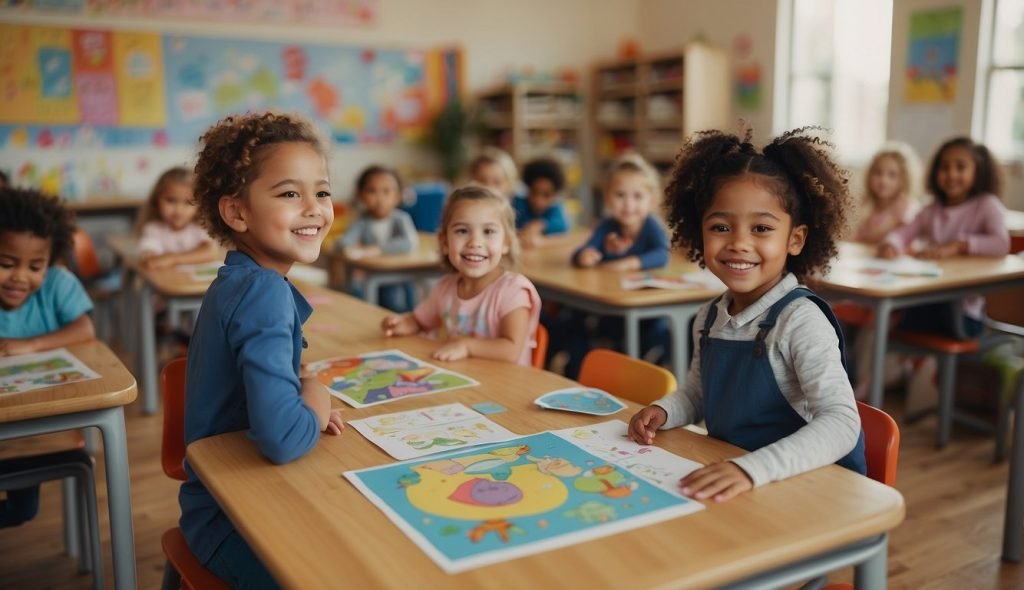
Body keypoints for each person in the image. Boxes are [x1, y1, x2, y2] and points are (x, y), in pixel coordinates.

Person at [628, 127, 866, 503]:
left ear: (795, 239)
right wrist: (666, 410)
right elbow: (698, 395)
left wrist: (752, 468)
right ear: (698, 231)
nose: (739, 242)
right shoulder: (708, 316)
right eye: (721, 227)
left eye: (761, 228)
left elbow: (841, 423)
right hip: (741, 481)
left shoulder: (800, 320)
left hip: (810, 488)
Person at [181, 112, 344, 589]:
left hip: (229, 502)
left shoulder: (240, 279)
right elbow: (281, 440)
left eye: (323, 191)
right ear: (236, 212)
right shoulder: (264, 293)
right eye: (290, 193)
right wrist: (312, 396)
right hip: (237, 523)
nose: (314, 207)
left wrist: (299, 405)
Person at [0, 187, 95, 527]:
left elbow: (85, 329)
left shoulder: (58, 284)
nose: (19, 277)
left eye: (35, 266)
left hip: (34, 433)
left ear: (51, 261)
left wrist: (29, 345)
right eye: (6, 263)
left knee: (24, 509)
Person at [380, 185, 541, 366]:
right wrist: (404, 324)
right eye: (462, 231)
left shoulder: (513, 290)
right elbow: (420, 321)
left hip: (505, 388)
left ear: (506, 243)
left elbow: (511, 350)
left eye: (488, 232)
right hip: (463, 382)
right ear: (444, 241)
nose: (475, 242)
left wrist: (466, 346)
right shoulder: (445, 287)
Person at [879, 136, 1009, 338]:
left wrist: (959, 246)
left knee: (889, 326)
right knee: (885, 324)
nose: (951, 174)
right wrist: (891, 244)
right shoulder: (932, 209)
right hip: (926, 301)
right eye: (944, 167)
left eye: (960, 167)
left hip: (963, 313)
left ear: (978, 171)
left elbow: (1001, 244)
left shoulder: (987, 205)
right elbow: (904, 232)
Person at [560, 154, 670, 377]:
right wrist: (585, 256)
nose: (628, 204)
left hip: (646, 310)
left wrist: (631, 262)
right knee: (573, 321)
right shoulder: (607, 226)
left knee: (658, 334)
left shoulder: (650, 226)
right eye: (620, 195)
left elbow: (661, 254)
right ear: (608, 199)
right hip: (610, 310)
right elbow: (582, 251)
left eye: (638, 196)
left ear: (651, 200)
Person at [338, 165, 418, 311]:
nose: (380, 198)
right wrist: (347, 247)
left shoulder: (401, 219)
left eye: (386, 191)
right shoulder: (361, 221)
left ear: (398, 195)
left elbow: (409, 243)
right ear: (361, 195)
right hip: (371, 275)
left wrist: (375, 250)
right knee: (356, 293)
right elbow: (345, 241)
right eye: (371, 191)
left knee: (394, 299)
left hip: (397, 275)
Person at [135, 167, 218, 270]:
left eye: (188, 202)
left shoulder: (200, 226)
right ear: (156, 200)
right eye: (171, 200)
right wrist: (151, 258)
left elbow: (210, 252)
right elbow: (150, 259)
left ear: (200, 204)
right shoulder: (153, 229)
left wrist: (173, 259)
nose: (178, 210)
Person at [854, 142, 922, 245]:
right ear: (869, 175)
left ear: (903, 180)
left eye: (892, 175)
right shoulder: (866, 207)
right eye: (878, 173)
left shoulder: (907, 207)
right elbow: (858, 239)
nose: (883, 180)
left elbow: (904, 237)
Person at [516, 157, 570, 247]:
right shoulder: (518, 204)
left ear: (555, 195)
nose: (538, 200)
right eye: (534, 192)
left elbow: (563, 225)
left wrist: (542, 225)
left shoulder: (555, 207)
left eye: (546, 195)